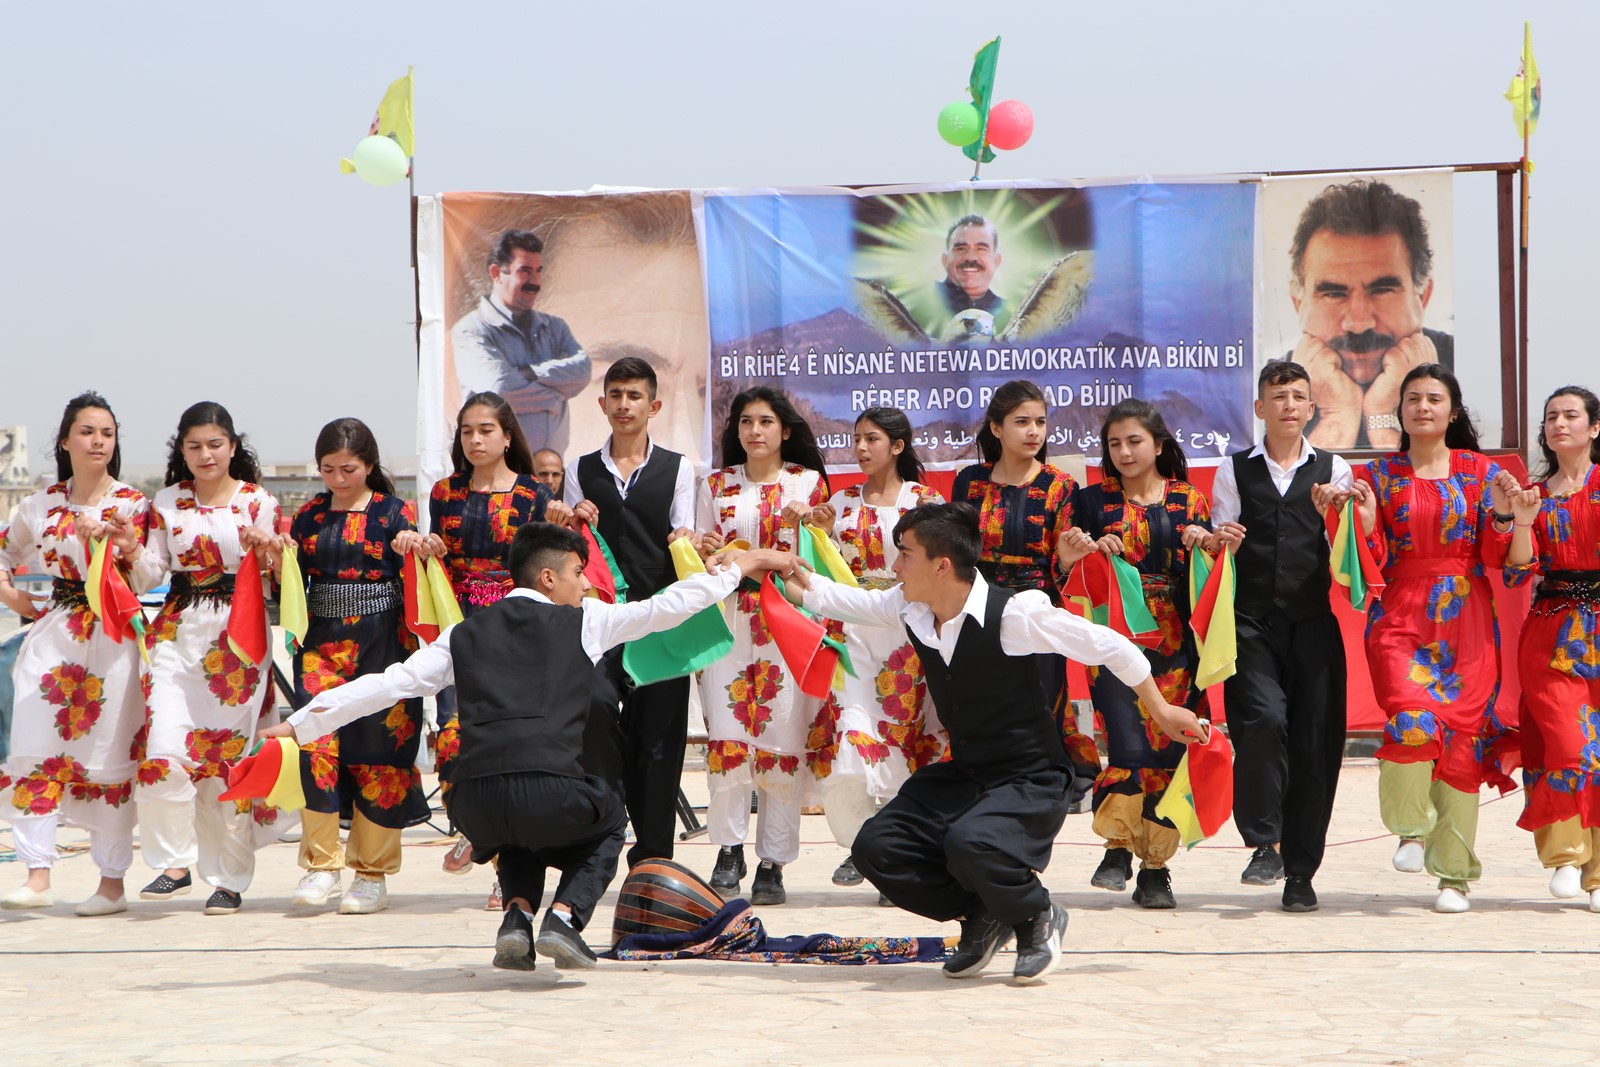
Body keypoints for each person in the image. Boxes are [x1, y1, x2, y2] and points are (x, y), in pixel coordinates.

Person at [261, 523, 799, 971]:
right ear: (549, 577)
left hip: (472, 808)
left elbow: (386, 683)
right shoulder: (585, 622)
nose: (585, 587)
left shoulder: (462, 633)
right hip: (553, 793)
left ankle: (517, 915)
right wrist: (738, 567)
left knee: (515, 829)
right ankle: (564, 918)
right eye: (577, 575)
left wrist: (300, 724)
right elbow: (672, 606)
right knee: (612, 821)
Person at [785, 502, 1206, 984]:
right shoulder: (910, 606)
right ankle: (983, 916)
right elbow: (831, 598)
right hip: (967, 773)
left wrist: (1162, 709)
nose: (895, 566)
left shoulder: (1017, 613)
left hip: (1030, 777)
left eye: (904, 554)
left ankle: (1035, 914)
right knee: (878, 847)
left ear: (942, 565)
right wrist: (768, 567)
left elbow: (1111, 646)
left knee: (972, 843)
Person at [1352, 363, 1520, 914]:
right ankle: (1410, 827)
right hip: (1400, 616)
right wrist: (1367, 520)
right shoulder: (1380, 475)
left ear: (1452, 410)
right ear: (1399, 411)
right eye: (1413, 399)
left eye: (1434, 398)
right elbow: (1367, 562)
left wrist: (1500, 513)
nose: (1423, 407)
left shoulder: (1478, 471)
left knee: (1464, 742)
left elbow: (1500, 560)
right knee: (1410, 719)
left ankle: (1453, 877)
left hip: (1466, 620)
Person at [268, 418, 430, 915]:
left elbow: (419, 565)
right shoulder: (309, 516)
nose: (338, 478)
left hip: (386, 643)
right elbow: (288, 586)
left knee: (381, 753)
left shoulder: (392, 512)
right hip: (323, 645)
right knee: (315, 744)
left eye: (349, 468)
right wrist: (277, 558)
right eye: (329, 469)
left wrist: (411, 545)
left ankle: (371, 873)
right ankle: (320, 865)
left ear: (370, 466)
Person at [0, 393, 152, 916]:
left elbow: (152, 573)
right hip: (55, 631)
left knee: (109, 749)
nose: (98, 442)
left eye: (107, 433)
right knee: (34, 740)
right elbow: (6, 547)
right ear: (64, 441)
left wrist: (127, 545)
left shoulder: (132, 504)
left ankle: (111, 883)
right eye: (87, 432)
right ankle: (37, 874)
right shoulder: (39, 504)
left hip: (112, 638)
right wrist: (12, 594)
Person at [1209, 360, 1353, 911]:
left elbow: (1349, 560)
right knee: (1262, 721)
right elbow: (1224, 542)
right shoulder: (1233, 469)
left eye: (1298, 396)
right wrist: (1224, 539)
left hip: (1313, 622)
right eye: (1278, 396)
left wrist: (1339, 518)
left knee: (1315, 744)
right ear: (1259, 408)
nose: (1289, 405)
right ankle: (1263, 841)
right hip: (1250, 622)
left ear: (1311, 407)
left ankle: (1300, 870)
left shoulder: (1335, 469)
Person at [421, 391, 571, 907]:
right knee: (454, 733)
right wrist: (427, 547)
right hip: (459, 624)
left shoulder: (533, 494)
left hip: (514, 624)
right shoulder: (444, 493)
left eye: (486, 430)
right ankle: (472, 827)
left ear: (507, 436)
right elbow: (435, 562)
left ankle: (510, 870)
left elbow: (546, 567)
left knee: (513, 741)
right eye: (467, 431)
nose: (476, 439)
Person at [135, 402, 282, 915]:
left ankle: (229, 878)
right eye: (194, 445)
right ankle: (174, 863)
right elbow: (151, 572)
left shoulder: (257, 502)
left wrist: (269, 551)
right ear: (182, 451)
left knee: (228, 761)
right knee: (162, 747)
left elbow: (277, 576)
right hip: (175, 628)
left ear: (233, 448)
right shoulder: (167, 500)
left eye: (215, 444)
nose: (205, 454)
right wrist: (127, 551)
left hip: (237, 636)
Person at [1067, 399, 1211, 909]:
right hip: (1113, 637)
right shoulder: (1090, 501)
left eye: (1134, 441)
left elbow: (1207, 573)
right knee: (1126, 742)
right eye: (1114, 443)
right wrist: (1080, 547)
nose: (1124, 452)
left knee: (1169, 746)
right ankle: (1116, 847)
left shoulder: (1188, 500)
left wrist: (1206, 542)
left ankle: (1156, 867)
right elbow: (1063, 561)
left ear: (1158, 445)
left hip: (1175, 640)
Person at [695, 385, 830, 905]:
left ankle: (772, 861)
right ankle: (728, 849)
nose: (754, 430)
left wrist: (797, 542)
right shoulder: (716, 484)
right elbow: (704, 556)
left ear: (785, 431)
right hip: (729, 622)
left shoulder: (808, 484)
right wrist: (709, 550)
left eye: (766, 422)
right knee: (728, 735)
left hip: (786, 624)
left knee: (782, 737)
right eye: (746, 421)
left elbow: (816, 561)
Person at [563, 356, 699, 866]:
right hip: (598, 625)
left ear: (654, 404)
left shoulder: (678, 468)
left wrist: (688, 538)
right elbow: (577, 550)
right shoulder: (580, 470)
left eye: (634, 395)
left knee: (660, 741)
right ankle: (601, 837)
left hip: (661, 622)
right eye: (615, 395)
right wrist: (573, 519)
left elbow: (683, 534)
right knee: (595, 722)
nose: (624, 405)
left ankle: (655, 858)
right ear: (602, 403)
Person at [806, 408, 945, 895]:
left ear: (899, 446)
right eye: (856, 438)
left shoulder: (926, 502)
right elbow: (811, 565)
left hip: (907, 638)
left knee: (904, 740)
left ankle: (896, 850)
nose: (861, 448)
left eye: (872, 439)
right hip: (850, 638)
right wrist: (816, 530)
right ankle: (861, 843)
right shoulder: (838, 502)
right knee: (851, 732)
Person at [949, 379, 1099, 805]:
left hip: (1036, 605)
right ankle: (986, 780)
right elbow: (960, 550)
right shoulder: (970, 482)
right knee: (983, 698)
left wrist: (1068, 559)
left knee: (1039, 698)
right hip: (980, 606)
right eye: (1021, 422)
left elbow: (1062, 568)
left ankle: (1046, 782)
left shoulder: (1059, 485)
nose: (1034, 431)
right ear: (996, 429)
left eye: (1040, 422)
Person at [1502, 386, 1600, 912]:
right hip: (1552, 630)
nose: (1559, 423)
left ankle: (1597, 873)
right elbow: (1518, 572)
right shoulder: (1534, 493)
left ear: (1594, 427)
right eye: (1551, 417)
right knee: (1567, 741)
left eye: (1571, 415)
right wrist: (1520, 519)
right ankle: (1565, 854)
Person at [1286, 179, 1453, 451]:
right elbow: (1288, 492)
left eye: (1382, 290)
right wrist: (1336, 417)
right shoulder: (1270, 384)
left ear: (1422, 297)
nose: (1359, 323)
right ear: (1299, 304)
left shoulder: (1461, 365)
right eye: (1333, 293)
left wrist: (1384, 416)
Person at [450, 229, 592, 455]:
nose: (535, 282)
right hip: (497, 475)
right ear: (496, 273)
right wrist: (555, 397)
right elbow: (500, 391)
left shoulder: (555, 328)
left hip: (548, 475)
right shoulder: (471, 330)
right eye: (525, 271)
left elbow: (583, 371)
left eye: (538, 271)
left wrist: (532, 372)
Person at [934, 214, 1008, 334]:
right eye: (961, 248)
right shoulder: (915, 305)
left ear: (996, 261)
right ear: (945, 260)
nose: (970, 257)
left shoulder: (1010, 314)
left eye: (981, 248)